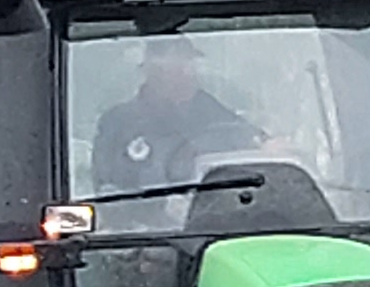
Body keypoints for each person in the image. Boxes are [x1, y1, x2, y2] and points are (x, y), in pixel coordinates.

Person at [86, 34, 265, 195]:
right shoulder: (117, 123)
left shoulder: (216, 116)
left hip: (213, 221)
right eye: (173, 70)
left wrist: (267, 145)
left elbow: (254, 143)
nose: (186, 75)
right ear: (150, 73)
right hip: (141, 228)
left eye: (189, 67)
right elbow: (106, 190)